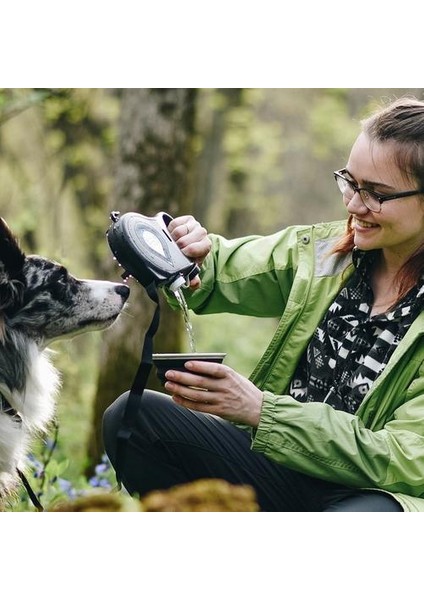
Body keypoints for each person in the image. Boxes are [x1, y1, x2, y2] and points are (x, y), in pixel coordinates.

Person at [103, 96, 424, 512]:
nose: (353, 204)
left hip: (378, 496)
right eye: (349, 181)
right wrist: (187, 252)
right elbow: (228, 269)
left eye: (376, 194)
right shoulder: (324, 253)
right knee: (133, 417)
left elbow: (408, 459)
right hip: (280, 468)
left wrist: (261, 411)